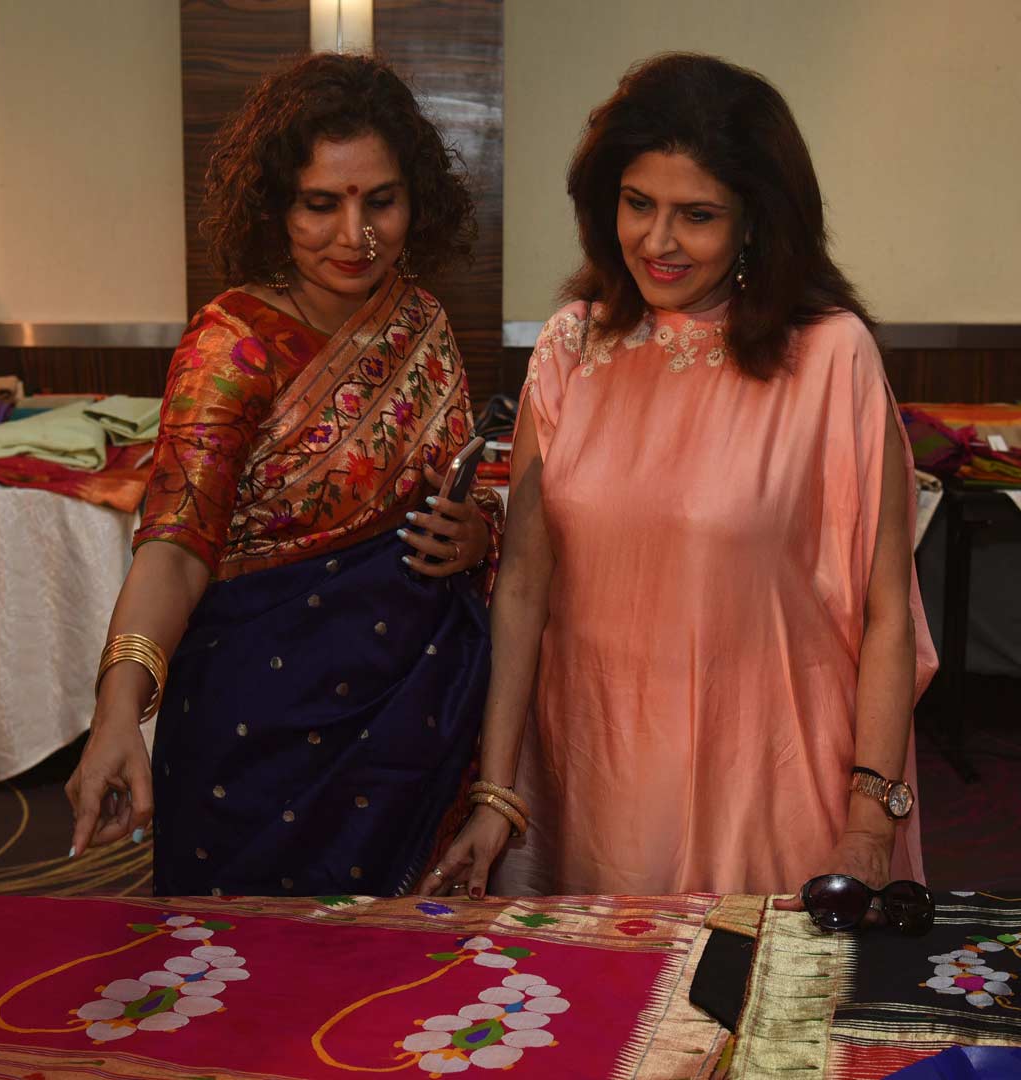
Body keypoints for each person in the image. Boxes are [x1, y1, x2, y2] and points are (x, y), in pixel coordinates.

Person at [421, 53, 937, 901]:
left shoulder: (830, 357)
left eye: (696, 215)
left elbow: (888, 614)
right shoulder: (571, 347)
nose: (657, 242)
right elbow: (523, 586)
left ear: (755, 222)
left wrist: (869, 825)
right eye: (638, 204)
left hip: (769, 783)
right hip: (590, 773)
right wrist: (496, 793)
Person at [65, 53, 501, 898]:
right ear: (276, 205)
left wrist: (475, 532)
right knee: (240, 960)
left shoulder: (421, 321)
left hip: (410, 718)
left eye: (381, 201)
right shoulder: (232, 345)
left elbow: (450, 488)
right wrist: (117, 709)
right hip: (255, 724)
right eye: (321, 204)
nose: (355, 235)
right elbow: (175, 549)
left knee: (395, 964)